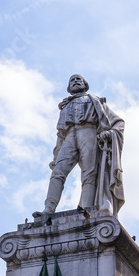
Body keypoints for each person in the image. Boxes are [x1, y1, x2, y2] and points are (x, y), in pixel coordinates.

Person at [37, 74, 124, 217]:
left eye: (79, 79)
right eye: (72, 80)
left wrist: (109, 133)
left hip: (88, 132)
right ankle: (48, 209)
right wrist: (56, 155)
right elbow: (60, 134)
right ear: (69, 88)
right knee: (57, 172)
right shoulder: (65, 106)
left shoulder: (95, 100)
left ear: (85, 84)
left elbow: (118, 122)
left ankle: (86, 209)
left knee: (89, 173)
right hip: (69, 137)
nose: (76, 81)